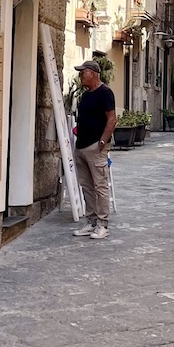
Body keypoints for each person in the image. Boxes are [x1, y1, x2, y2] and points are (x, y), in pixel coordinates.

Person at [70, 60, 116, 239]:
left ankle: (103, 224)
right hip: (81, 145)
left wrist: (102, 142)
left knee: (100, 186)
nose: (81, 75)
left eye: (83, 72)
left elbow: (112, 119)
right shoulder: (85, 95)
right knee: (87, 186)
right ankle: (91, 222)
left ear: (94, 73)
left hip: (95, 146)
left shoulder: (105, 93)